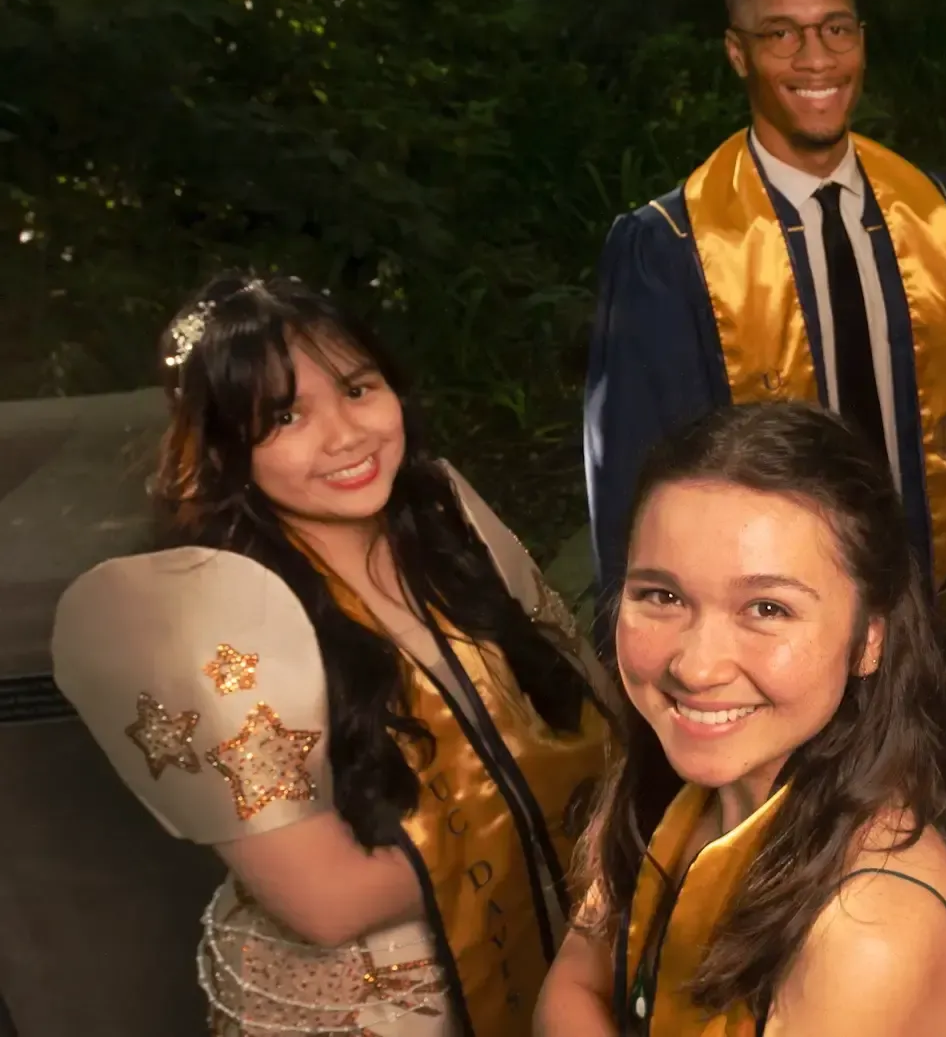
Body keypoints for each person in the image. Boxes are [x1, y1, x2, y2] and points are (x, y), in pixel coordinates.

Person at [51, 273, 612, 1037]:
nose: (346, 435)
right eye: (285, 416)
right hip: (372, 1007)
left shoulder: (442, 519)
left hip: (548, 942)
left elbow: (593, 712)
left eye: (357, 388)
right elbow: (328, 900)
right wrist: (578, 816)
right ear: (222, 444)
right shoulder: (205, 612)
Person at [537, 402, 946, 1036]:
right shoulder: (676, 784)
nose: (697, 667)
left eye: (768, 609)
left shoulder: (865, 927)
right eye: (662, 596)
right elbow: (572, 986)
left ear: (869, 639)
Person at [585, 0, 946, 628]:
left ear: (861, 40)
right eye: (781, 34)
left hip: (939, 617)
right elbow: (635, 492)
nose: (817, 58)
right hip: (767, 636)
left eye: (835, 28)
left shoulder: (941, 215)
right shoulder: (673, 250)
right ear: (737, 53)